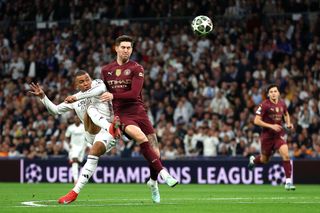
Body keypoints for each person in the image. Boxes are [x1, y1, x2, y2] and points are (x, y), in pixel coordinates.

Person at [100, 35, 178, 203]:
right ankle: (164, 174)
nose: (126, 50)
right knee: (142, 138)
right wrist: (111, 118)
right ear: (116, 48)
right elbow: (103, 96)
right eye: (123, 47)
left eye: (129, 48)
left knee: (155, 151)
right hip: (122, 114)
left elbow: (134, 94)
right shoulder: (106, 70)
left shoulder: (137, 68)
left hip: (139, 111)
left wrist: (112, 95)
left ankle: (153, 182)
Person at [29, 70, 121, 204]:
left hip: (106, 130)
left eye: (87, 79)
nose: (86, 83)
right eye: (81, 82)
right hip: (90, 133)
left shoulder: (98, 84)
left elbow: (99, 89)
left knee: (93, 151)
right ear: (76, 85)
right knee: (89, 112)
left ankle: (74, 192)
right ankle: (111, 128)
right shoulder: (74, 101)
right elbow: (54, 111)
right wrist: (43, 97)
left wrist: (76, 97)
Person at [248, 84, 296, 190]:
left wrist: (288, 123)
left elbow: (286, 114)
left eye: (275, 91)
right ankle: (253, 161)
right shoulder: (264, 105)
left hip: (279, 135)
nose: (273, 93)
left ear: (278, 93)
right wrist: (271, 126)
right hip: (267, 137)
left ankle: (288, 182)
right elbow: (256, 121)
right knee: (264, 160)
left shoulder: (282, 103)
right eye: (271, 92)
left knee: (286, 155)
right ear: (268, 95)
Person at [64, 116, 87, 184]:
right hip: (74, 147)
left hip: (82, 147)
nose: (76, 119)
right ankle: (75, 180)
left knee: (79, 162)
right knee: (74, 161)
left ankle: (79, 177)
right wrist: (69, 143)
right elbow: (66, 137)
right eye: (75, 118)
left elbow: (88, 136)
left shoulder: (84, 127)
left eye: (77, 118)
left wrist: (88, 145)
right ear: (74, 120)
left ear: (80, 119)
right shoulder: (70, 128)